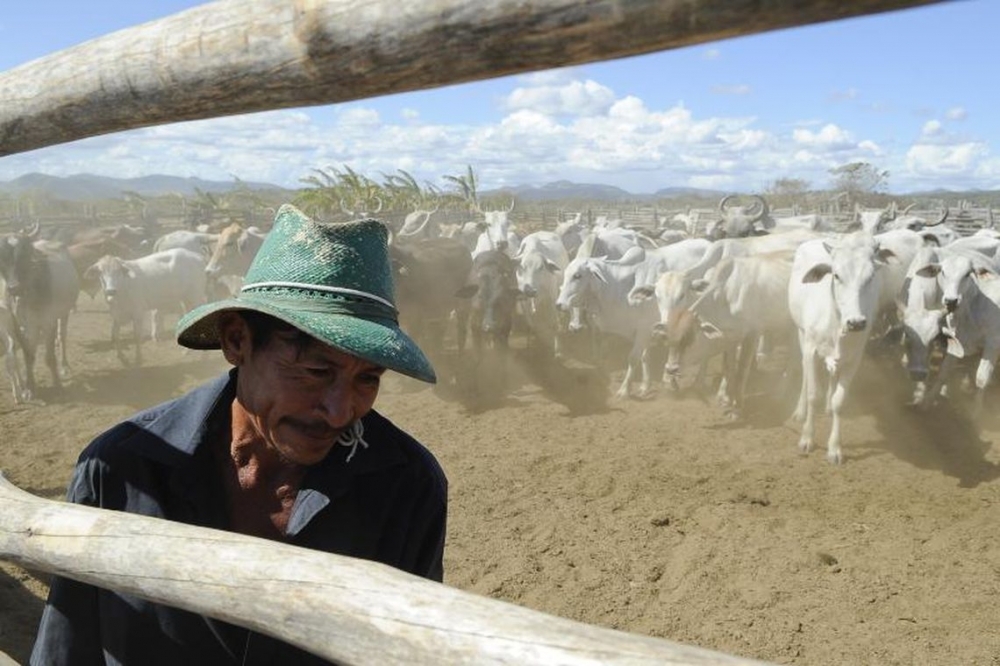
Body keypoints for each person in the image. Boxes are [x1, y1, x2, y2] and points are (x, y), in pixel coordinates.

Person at [31, 205, 447, 665]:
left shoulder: (406, 485)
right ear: (236, 341)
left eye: (368, 379)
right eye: (314, 370)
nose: (339, 411)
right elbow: (66, 652)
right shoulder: (120, 471)